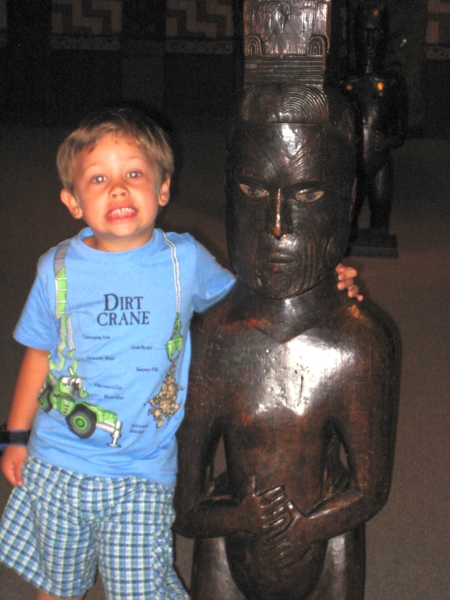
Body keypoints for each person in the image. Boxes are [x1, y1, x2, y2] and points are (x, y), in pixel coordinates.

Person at [0, 106, 360, 600]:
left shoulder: (183, 260)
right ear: (73, 201)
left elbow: (251, 300)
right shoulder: (56, 269)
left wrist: (321, 284)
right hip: (57, 460)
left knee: (141, 588)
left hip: (142, 470)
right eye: (98, 179)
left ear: (163, 189)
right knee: (58, 584)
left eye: (133, 174)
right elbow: (39, 354)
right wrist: (15, 437)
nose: (118, 190)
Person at [173, 84, 398, 600]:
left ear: (347, 199)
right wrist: (240, 519)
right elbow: (185, 507)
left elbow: (370, 490)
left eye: (308, 194)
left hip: (326, 548)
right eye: (253, 190)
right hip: (229, 552)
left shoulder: (360, 346)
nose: (277, 226)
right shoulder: (211, 339)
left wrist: (307, 528)